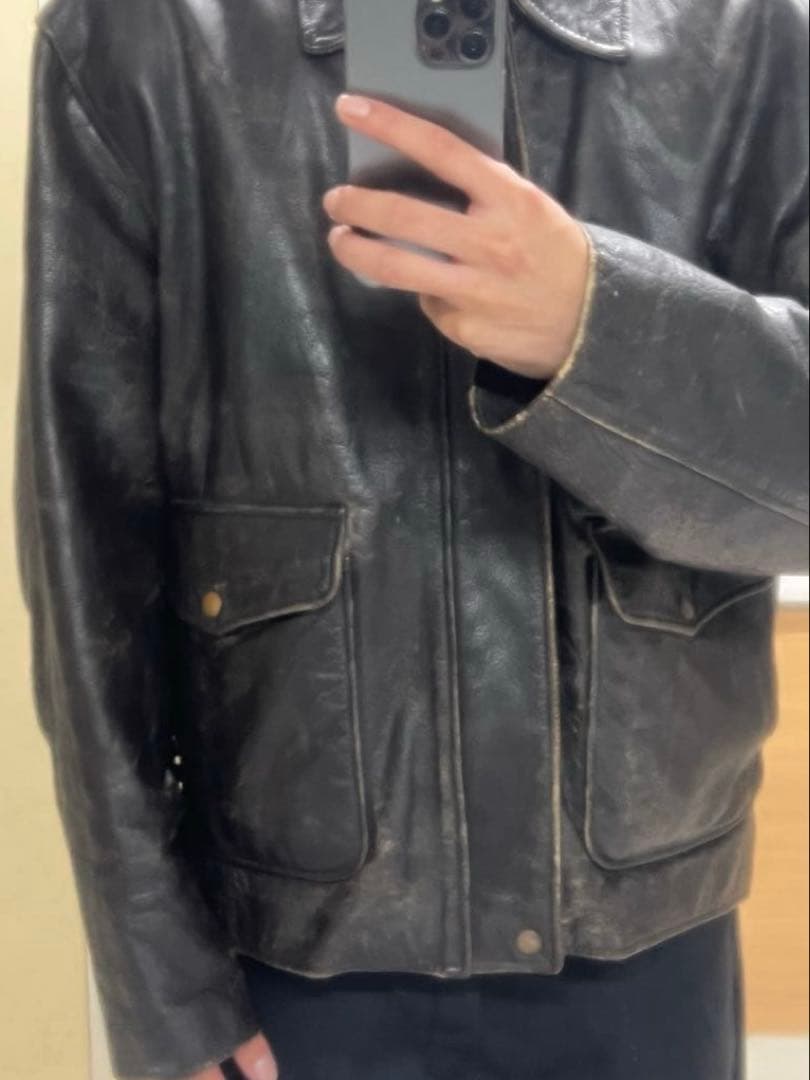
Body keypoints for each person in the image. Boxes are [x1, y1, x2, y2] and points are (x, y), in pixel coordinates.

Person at [13, 0, 808, 1077]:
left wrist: (598, 323)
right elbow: (87, 543)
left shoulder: (744, 33)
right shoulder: (139, 34)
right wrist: (162, 985)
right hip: (292, 955)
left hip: (645, 946)